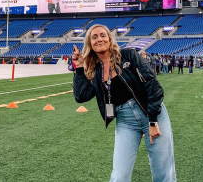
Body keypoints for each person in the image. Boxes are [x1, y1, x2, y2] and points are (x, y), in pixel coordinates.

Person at [72, 24, 176, 182]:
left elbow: (152, 84)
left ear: (109, 39)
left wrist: (153, 120)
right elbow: (81, 96)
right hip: (125, 121)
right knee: (119, 176)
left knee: (162, 172)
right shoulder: (95, 70)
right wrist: (79, 67)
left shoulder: (128, 55)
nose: (99, 39)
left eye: (102, 35)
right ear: (90, 44)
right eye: (94, 37)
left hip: (150, 113)